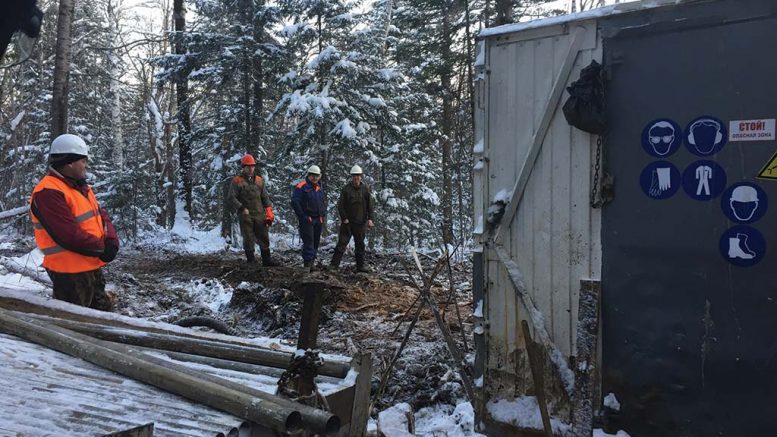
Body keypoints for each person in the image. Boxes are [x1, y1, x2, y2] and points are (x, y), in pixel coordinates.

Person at [29, 133, 119, 310]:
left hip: (90, 264)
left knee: (101, 317)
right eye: (83, 161)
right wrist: (101, 248)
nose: (86, 165)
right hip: (69, 272)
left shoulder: (80, 187)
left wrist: (111, 240)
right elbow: (68, 235)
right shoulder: (48, 192)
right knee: (74, 324)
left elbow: (100, 215)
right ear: (69, 162)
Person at [227, 153, 279, 266]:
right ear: (243, 167)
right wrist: (241, 208)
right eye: (248, 166)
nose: (250, 169)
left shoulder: (260, 180)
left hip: (260, 214)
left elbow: (264, 197)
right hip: (245, 215)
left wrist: (269, 210)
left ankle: (267, 261)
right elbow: (231, 197)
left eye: (252, 166)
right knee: (248, 237)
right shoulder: (237, 181)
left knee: (264, 236)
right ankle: (251, 261)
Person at [330, 165, 375, 272]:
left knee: (360, 245)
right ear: (351, 177)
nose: (356, 178)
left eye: (358, 176)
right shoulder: (346, 189)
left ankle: (360, 267)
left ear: (361, 177)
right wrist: (344, 218)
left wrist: (370, 219)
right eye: (354, 176)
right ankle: (333, 266)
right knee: (342, 244)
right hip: (348, 223)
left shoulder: (365, 189)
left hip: (361, 222)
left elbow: (370, 205)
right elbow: (340, 205)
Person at [291, 165, 325, 271]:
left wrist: (322, 216)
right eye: (313, 175)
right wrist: (303, 216)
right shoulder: (301, 186)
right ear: (309, 175)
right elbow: (295, 202)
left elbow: (322, 202)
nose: (315, 178)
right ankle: (307, 264)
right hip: (307, 219)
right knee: (308, 241)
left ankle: (312, 263)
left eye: (317, 176)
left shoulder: (319, 187)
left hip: (317, 219)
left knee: (315, 241)